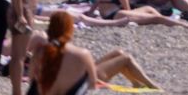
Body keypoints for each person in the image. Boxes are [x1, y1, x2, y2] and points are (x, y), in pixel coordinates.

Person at [28, 10, 158, 95]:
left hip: (59, 83)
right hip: (81, 78)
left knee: (118, 52)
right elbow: (92, 82)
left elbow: (31, 79)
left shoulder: (40, 50)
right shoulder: (81, 53)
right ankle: (152, 86)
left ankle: (135, 83)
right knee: (125, 59)